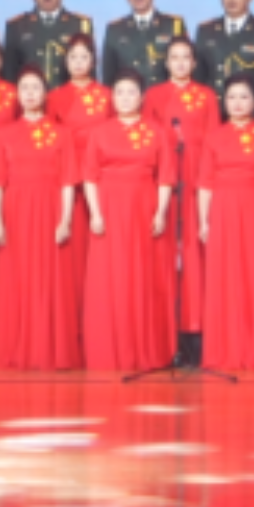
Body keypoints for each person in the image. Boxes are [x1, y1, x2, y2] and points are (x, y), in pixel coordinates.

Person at [75, 76, 178, 371]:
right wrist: (95, 213)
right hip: (108, 208)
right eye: (119, 92)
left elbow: (165, 177)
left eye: (131, 92)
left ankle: (143, 349)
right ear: (112, 97)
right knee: (110, 276)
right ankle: (109, 350)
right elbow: (89, 176)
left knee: (142, 274)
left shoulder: (157, 132)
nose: (125, 97)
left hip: (144, 207)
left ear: (142, 97)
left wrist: (160, 212)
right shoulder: (99, 132)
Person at [0, 71, 81, 371]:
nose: (29, 93)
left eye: (35, 88)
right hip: (15, 211)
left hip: (50, 209)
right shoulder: (4, 133)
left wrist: (65, 220)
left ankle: (49, 351)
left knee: (50, 279)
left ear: (45, 93)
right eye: (24, 88)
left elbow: (68, 181)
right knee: (16, 279)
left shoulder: (62, 133)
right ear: (17, 94)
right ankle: (15, 350)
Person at [195, 78, 254, 372]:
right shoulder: (213, 138)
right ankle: (225, 349)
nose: (237, 103)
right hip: (223, 211)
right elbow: (205, 184)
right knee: (225, 277)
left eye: (244, 97)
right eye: (232, 97)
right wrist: (203, 221)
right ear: (224, 102)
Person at [144, 44, 223, 358]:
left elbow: (215, 141)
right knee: (163, 252)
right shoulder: (154, 95)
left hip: (197, 179)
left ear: (193, 62)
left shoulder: (206, 96)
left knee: (194, 255)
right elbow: (147, 137)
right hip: (163, 180)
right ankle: (165, 332)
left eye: (185, 58)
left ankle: (194, 332)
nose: (179, 63)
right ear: (165, 62)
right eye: (173, 58)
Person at [102, 0, 190, 89]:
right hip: (129, 100)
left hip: (166, 99)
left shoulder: (173, 25)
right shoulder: (115, 30)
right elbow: (108, 80)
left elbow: (187, 71)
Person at [6, 0, 94, 83]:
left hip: (69, 94)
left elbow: (90, 74)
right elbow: (9, 74)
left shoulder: (79, 25)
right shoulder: (17, 26)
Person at [48, 34, 110, 127]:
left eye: (84, 57)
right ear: (66, 61)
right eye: (73, 57)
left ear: (93, 61)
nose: (78, 62)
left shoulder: (107, 95)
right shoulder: (54, 97)